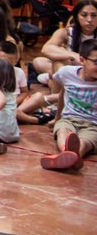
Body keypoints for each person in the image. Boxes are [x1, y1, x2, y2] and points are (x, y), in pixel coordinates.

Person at [41, 37, 97, 171]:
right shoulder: (66, 73)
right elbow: (62, 94)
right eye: (96, 62)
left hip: (94, 124)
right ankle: (70, 155)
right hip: (69, 118)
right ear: (82, 60)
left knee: (86, 141)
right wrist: (57, 118)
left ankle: (71, 155)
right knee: (63, 132)